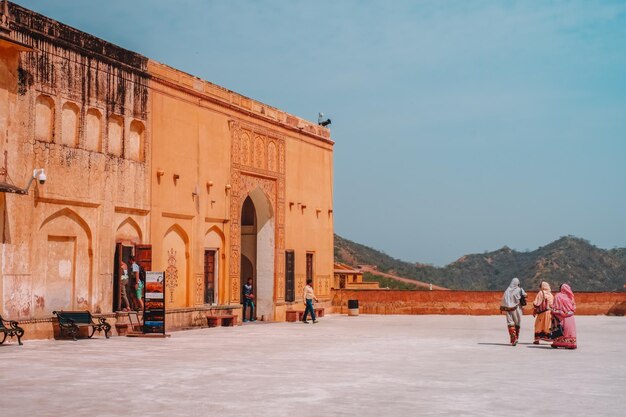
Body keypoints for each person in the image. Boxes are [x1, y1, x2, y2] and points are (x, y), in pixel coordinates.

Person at [500, 277, 527, 346]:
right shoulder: (520, 290)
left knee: (510, 324)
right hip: (517, 309)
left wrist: (502, 307)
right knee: (517, 324)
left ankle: (513, 339)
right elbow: (525, 295)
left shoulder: (507, 290)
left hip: (508, 310)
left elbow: (503, 300)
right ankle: (516, 338)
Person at [551, 283, 577, 349]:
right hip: (570, 317)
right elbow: (573, 307)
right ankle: (570, 343)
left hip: (560, 317)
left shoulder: (558, 296)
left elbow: (555, 308)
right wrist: (568, 312)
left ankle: (558, 343)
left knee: (560, 330)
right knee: (569, 331)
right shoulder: (571, 296)